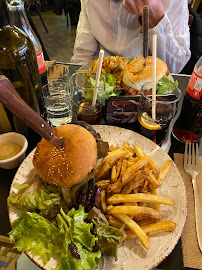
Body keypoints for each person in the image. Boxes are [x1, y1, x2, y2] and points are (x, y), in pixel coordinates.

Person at [70, 0, 191, 74]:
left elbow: (174, 68)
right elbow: (83, 55)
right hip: (103, 81)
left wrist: (157, 19)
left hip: (148, 84)